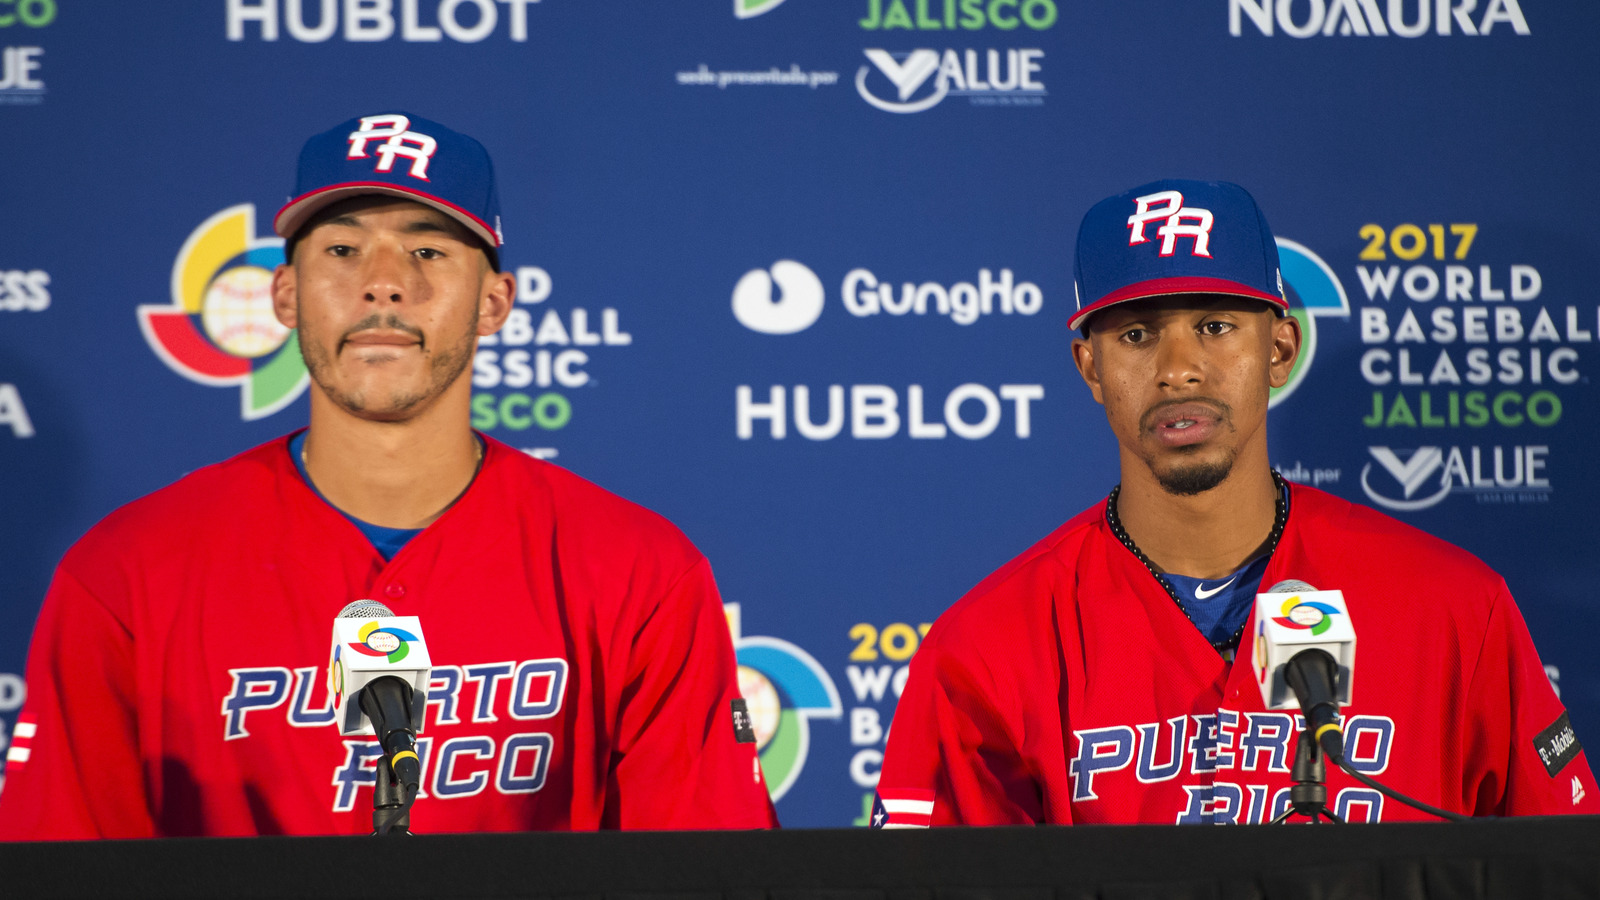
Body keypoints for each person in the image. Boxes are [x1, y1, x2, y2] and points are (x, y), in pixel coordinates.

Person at [0, 112, 776, 838]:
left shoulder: (639, 570)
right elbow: (59, 861)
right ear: (286, 294)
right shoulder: (128, 571)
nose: (384, 282)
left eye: (428, 250)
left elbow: (708, 865)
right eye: (341, 250)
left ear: (495, 301)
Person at [873, 179, 1598, 826]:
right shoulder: (987, 647)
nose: (1179, 368)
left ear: (1280, 349)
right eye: (1136, 335)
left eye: (1216, 327)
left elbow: (1559, 864)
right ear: (1090, 366)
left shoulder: (1454, 608)